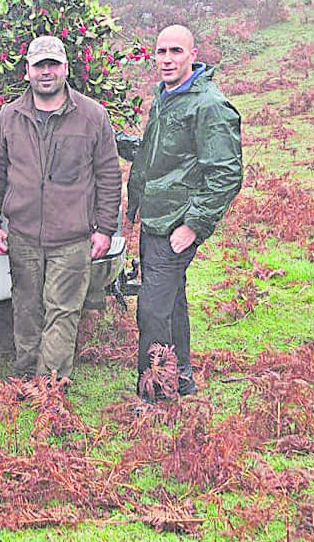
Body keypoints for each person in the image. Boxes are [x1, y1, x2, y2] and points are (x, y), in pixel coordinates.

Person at [0, 35, 122, 383]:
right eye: (39, 65)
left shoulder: (92, 116)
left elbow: (108, 174)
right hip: (24, 235)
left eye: (53, 65)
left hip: (72, 238)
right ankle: (28, 374)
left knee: (63, 312)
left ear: (66, 69)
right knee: (26, 310)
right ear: (27, 71)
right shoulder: (10, 117)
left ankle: (49, 386)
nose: (46, 72)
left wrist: (104, 228)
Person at [126, 25, 243, 401]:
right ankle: (181, 380)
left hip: (176, 224)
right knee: (172, 304)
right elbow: (154, 153)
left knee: (152, 312)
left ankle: (155, 396)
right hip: (155, 221)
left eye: (176, 51)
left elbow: (226, 173)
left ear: (193, 55)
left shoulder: (208, 104)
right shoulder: (166, 96)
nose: (166, 59)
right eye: (160, 52)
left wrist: (194, 225)